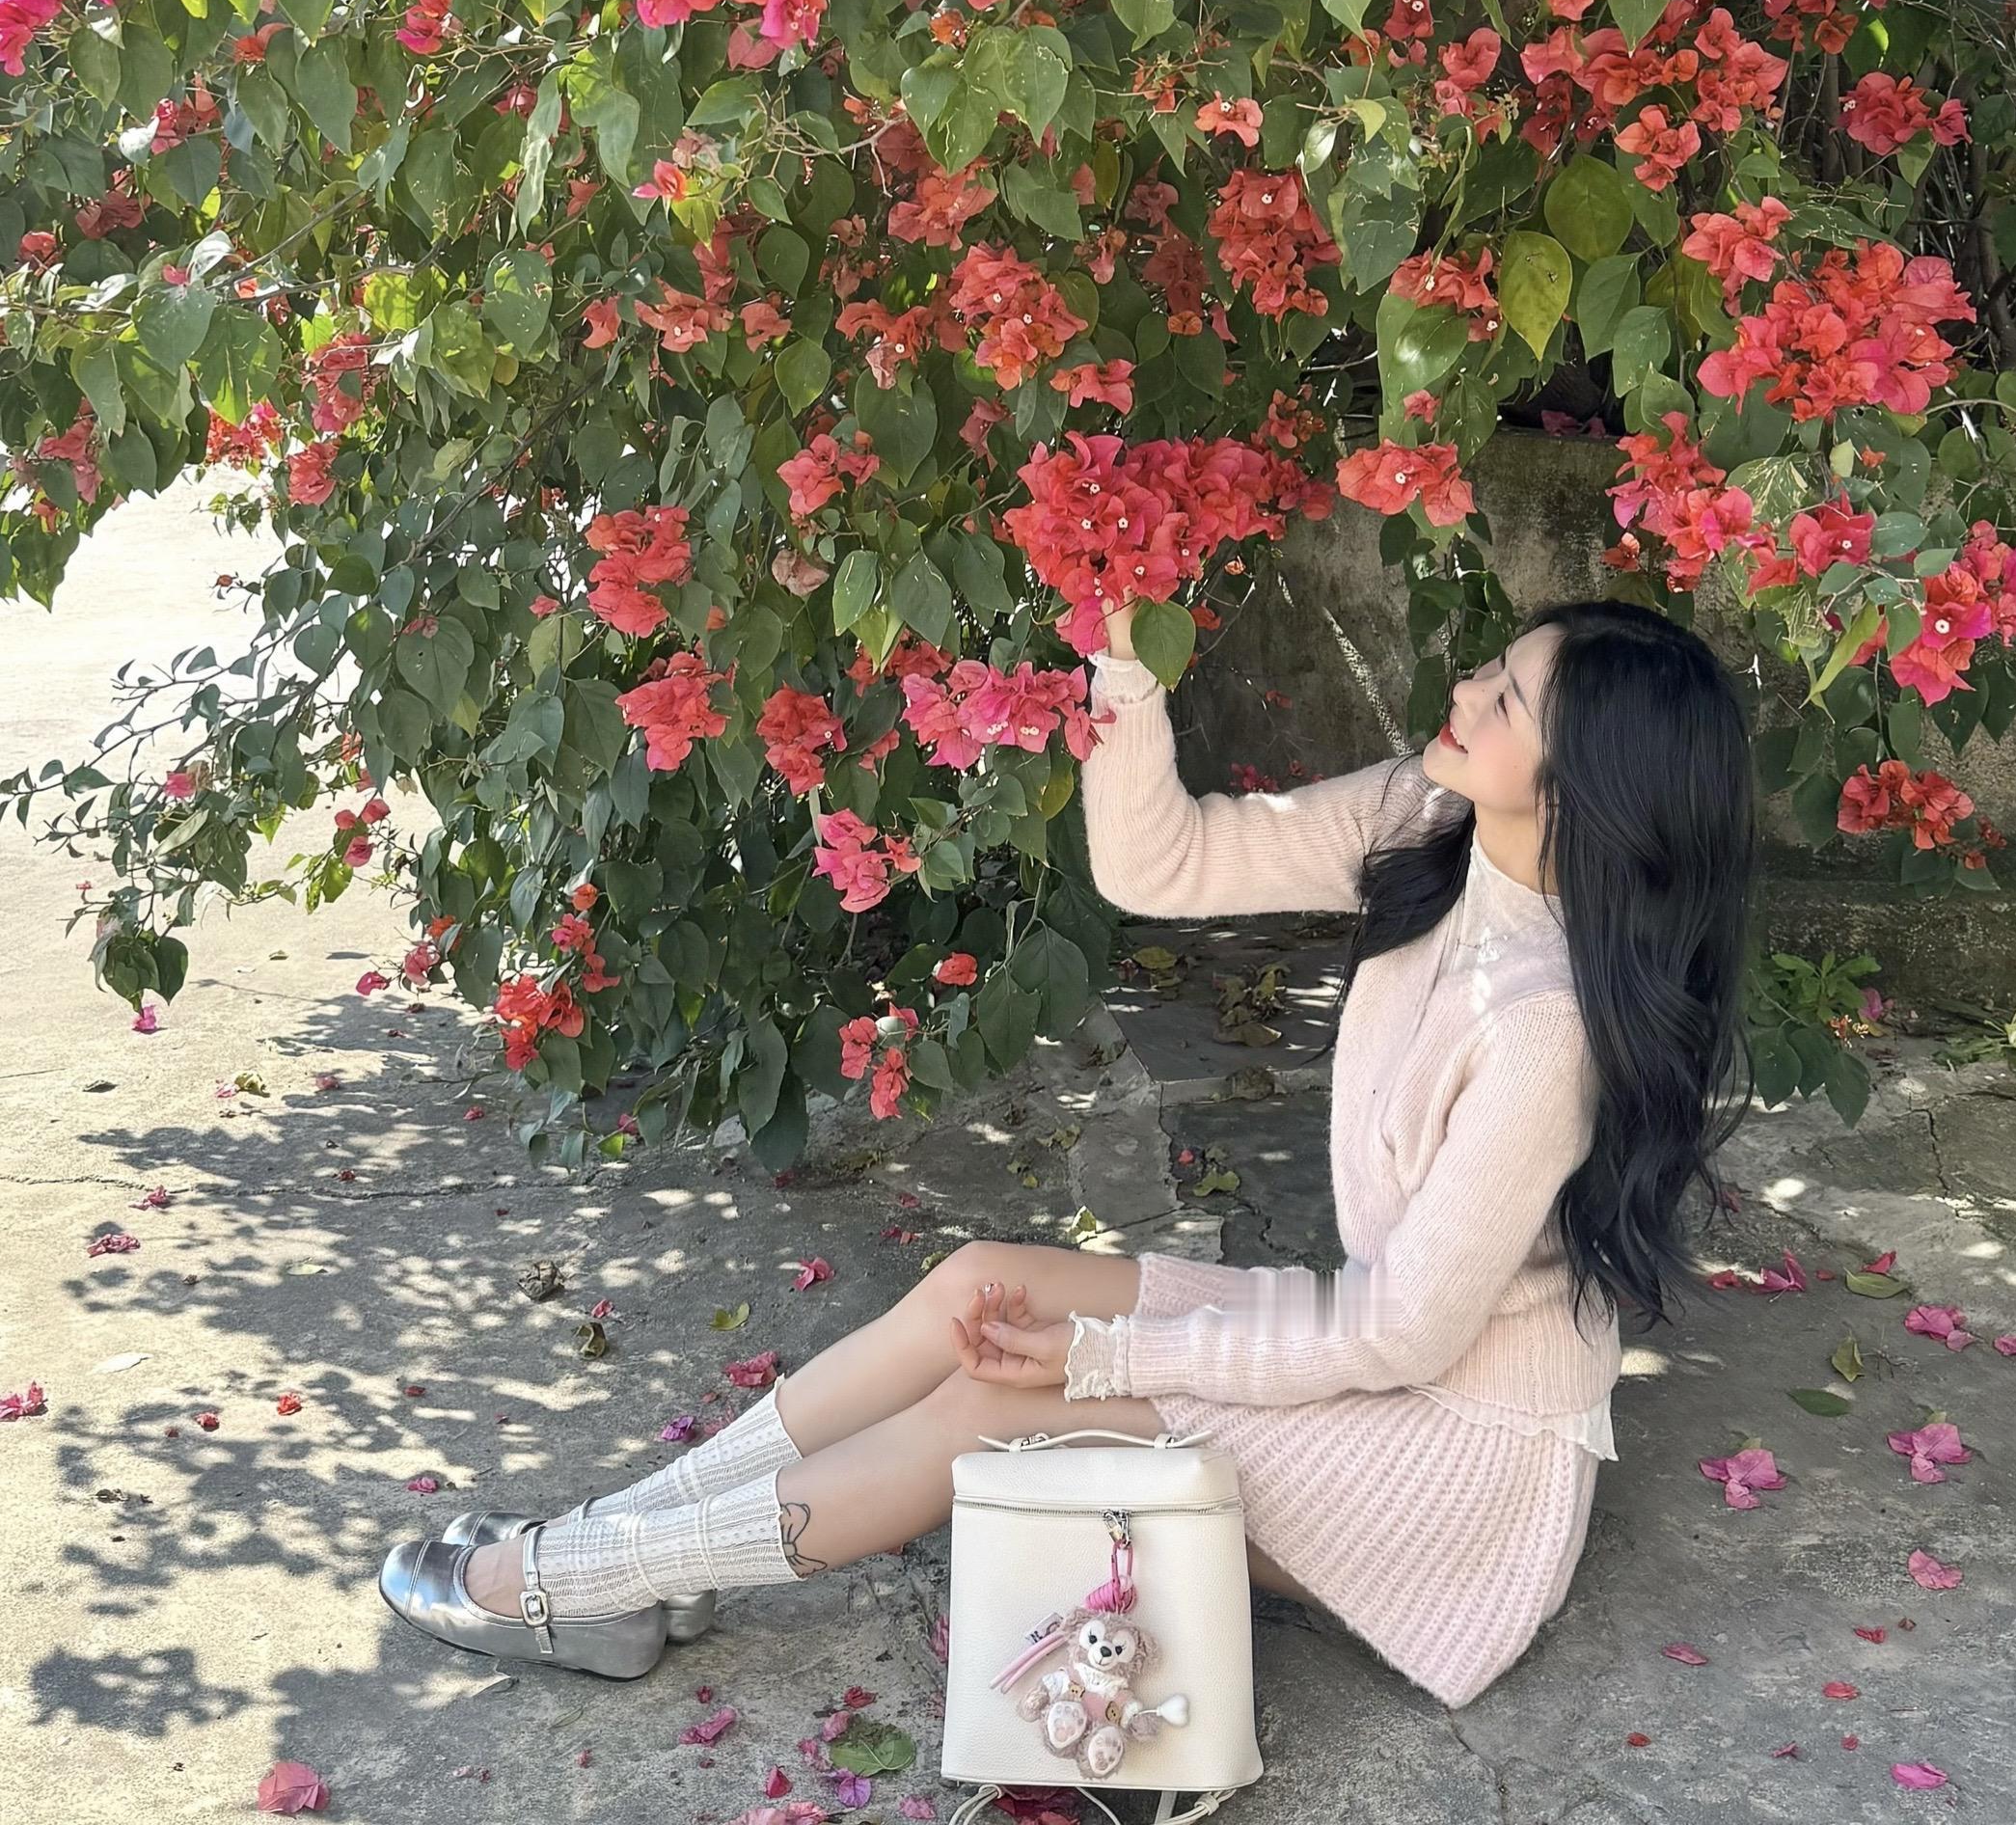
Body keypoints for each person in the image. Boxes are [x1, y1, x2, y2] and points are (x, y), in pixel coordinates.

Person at [378, 594, 1757, 1709]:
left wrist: (1102, 1362)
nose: (1465, 689)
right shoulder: (1429, 818)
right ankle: (625, 1552)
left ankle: (562, 1583)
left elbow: (1402, 1338)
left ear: (1590, 791)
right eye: (1495, 667)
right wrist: (1126, 662)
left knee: (994, 1403)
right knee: (981, 1280)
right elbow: (1165, 867)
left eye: (1508, 700)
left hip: (1442, 1462)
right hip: (1371, 1344)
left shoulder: (1543, 1032)